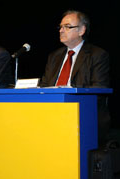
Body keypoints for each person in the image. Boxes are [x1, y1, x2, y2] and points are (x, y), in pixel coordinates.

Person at [39, 10, 111, 146]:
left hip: (83, 115)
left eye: (67, 26)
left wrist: (70, 92)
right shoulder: (54, 56)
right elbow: (45, 85)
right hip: (51, 113)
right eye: (60, 27)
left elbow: (100, 88)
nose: (61, 30)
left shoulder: (97, 55)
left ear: (81, 30)